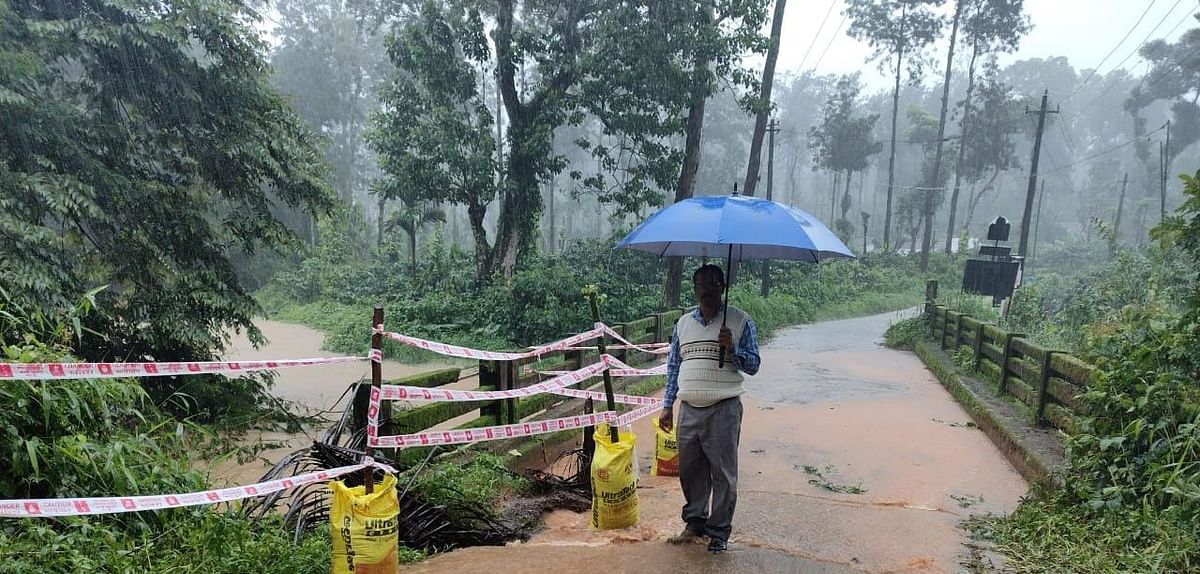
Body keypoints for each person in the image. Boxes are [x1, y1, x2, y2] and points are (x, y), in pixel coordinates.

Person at [658, 264, 760, 554]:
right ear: (694, 289)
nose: (705, 290)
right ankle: (695, 523)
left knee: (723, 473)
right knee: (690, 470)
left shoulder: (740, 321)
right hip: (689, 407)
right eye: (699, 284)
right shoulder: (683, 325)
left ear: (722, 287)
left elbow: (754, 365)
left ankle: (719, 533)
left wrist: (733, 350)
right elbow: (674, 365)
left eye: (711, 284)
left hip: (723, 408)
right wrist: (667, 405)